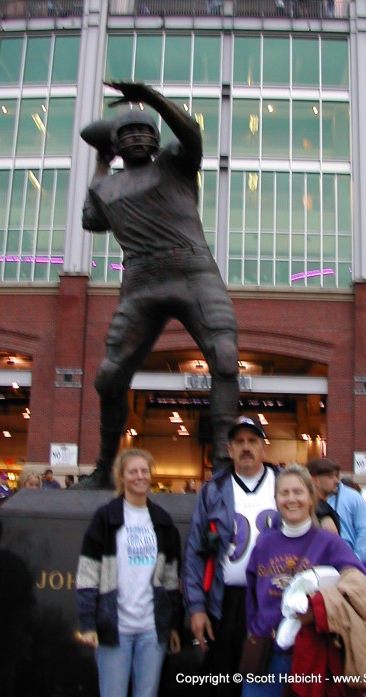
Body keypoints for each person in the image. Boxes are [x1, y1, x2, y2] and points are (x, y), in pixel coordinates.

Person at [80, 81, 239, 488]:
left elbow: (191, 133)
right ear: (116, 145)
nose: (137, 137)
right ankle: (103, 467)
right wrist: (101, 159)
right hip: (141, 282)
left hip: (193, 271)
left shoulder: (173, 163)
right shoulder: (106, 186)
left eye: (145, 131)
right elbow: (91, 219)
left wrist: (150, 99)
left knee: (223, 357)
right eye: (127, 133)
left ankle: (223, 462)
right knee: (109, 377)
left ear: (156, 141)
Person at [244, 465, 366, 697]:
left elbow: (361, 586)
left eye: (298, 492)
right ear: (276, 499)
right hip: (265, 655)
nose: (291, 499)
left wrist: (321, 609)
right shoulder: (264, 544)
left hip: (310, 656)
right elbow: (251, 594)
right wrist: (255, 627)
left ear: (312, 498)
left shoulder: (330, 544)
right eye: (284, 493)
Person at [182, 416, 277, 697]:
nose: (246, 447)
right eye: (240, 442)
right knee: (224, 680)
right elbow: (195, 552)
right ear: (230, 449)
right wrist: (196, 606)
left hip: (271, 599)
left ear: (263, 448)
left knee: (268, 676)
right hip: (225, 602)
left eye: (252, 441)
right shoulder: (213, 489)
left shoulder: (284, 483)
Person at [76, 448, 182, 697]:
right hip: (114, 628)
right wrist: (88, 624)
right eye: (133, 471)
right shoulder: (105, 518)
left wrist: (174, 626)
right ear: (121, 477)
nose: (140, 476)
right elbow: (88, 574)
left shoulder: (163, 522)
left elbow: (170, 580)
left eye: (144, 471)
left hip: (151, 629)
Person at [326, 468, 366, 565]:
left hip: (350, 559)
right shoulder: (311, 498)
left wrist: (355, 560)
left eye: (334, 476)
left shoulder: (353, 497)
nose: (335, 480)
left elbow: (364, 531)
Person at [305, 457, 341, 534]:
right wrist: (324, 516)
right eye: (330, 476)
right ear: (315, 480)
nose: (336, 481)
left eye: (336, 476)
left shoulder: (325, 509)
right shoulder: (307, 508)